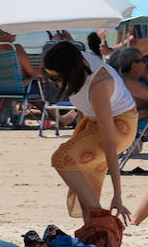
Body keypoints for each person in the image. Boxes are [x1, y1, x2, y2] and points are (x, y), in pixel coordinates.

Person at [41, 40, 138, 222]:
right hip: (92, 123)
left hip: (120, 126)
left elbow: (109, 144)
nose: (54, 83)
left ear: (70, 71)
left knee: (61, 159)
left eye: (55, 78)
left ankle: (99, 217)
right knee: (85, 187)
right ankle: (92, 233)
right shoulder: (76, 63)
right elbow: (82, 107)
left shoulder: (99, 84)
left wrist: (117, 195)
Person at [106, 47, 148, 118]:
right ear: (134, 66)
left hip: (138, 121)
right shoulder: (130, 83)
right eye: (143, 60)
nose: (147, 63)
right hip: (143, 125)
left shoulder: (124, 79)